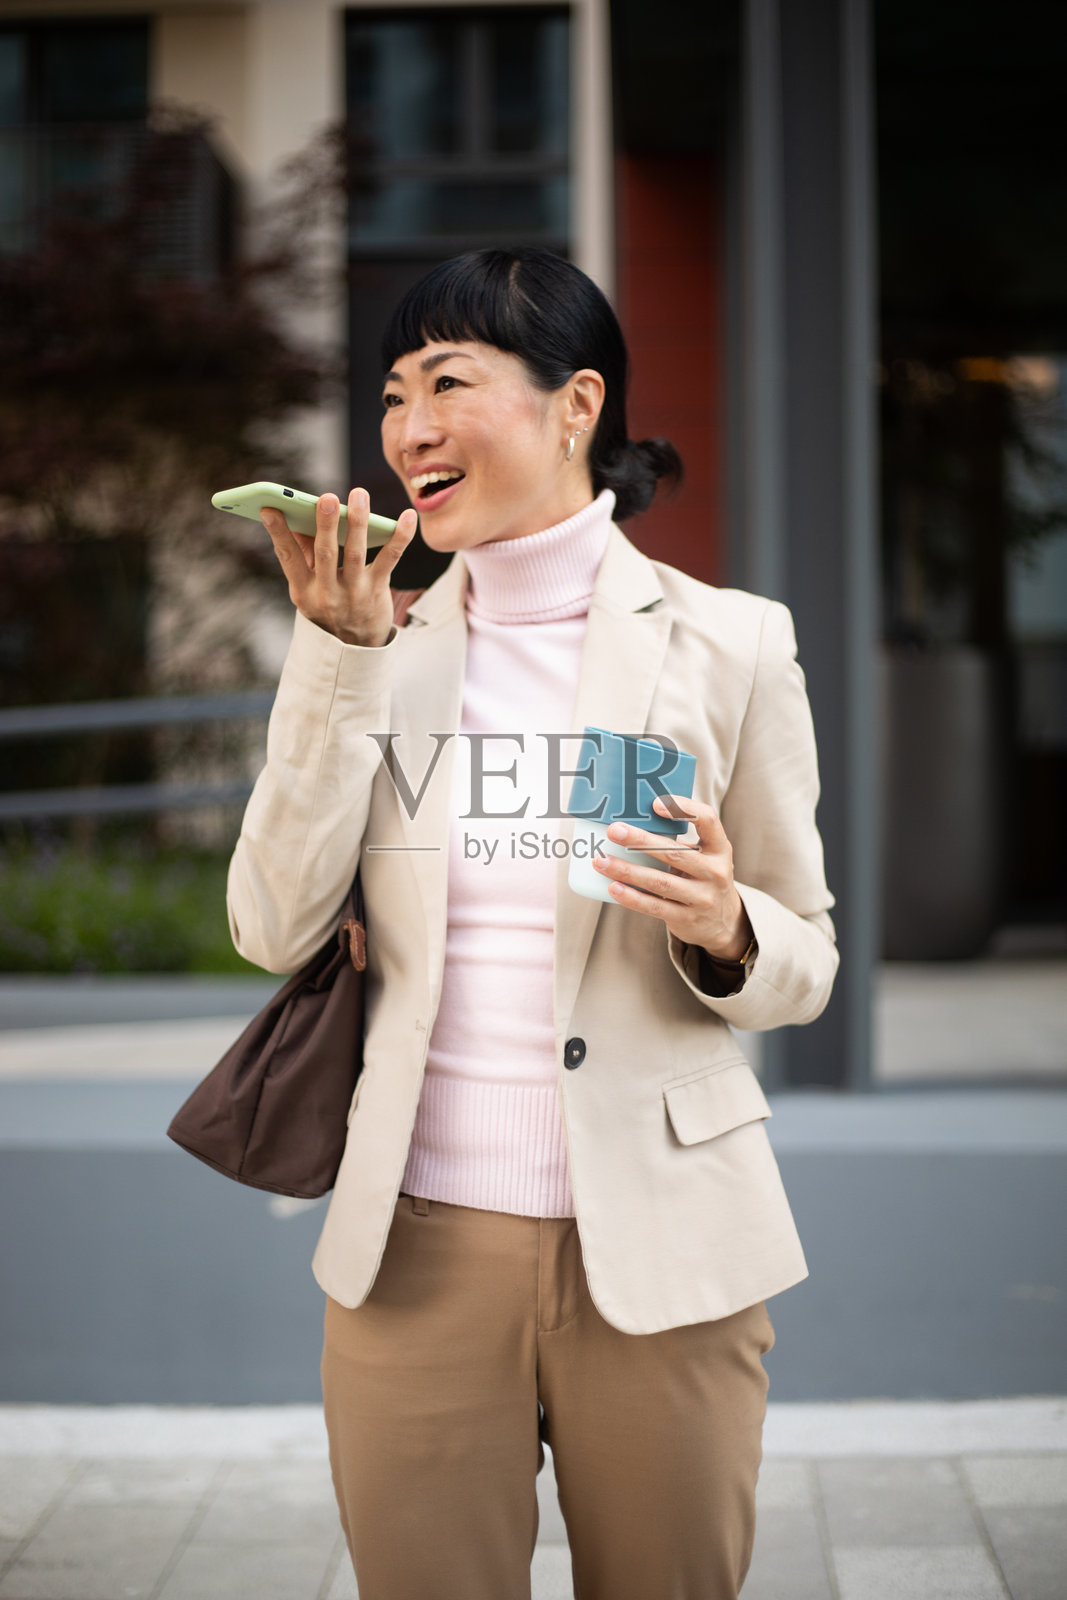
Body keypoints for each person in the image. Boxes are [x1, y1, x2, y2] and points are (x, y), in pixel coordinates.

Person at [227, 247, 838, 1600]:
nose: (409, 428)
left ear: (578, 406)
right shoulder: (373, 644)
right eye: (395, 394)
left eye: (449, 381)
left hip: (669, 1244)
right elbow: (270, 925)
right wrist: (335, 660)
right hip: (416, 1251)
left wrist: (729, 924)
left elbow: (809, 955)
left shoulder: (730, 642)